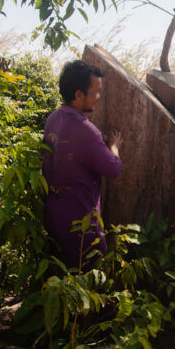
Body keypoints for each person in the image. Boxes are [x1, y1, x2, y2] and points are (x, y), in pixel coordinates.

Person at [42, 60, 122, 270]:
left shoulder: (52, 120)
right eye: (95, 92)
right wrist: (113, 147)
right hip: (82, 223)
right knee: (88, 281)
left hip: (54, 217)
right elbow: (113, 169)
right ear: (79, 95)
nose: (98, 97)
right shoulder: (86, 130)